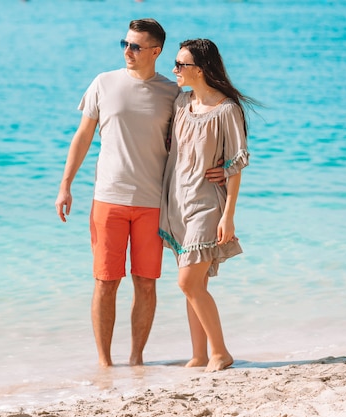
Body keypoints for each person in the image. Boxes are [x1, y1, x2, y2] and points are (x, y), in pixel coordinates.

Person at [54, 20, 224, 367]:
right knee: (105, 283)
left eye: (135, 46)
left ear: (155, 52)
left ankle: (136, 360)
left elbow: (201, 126)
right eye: (125, 44)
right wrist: (65, 185)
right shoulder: (104, 83)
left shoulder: (172, 93)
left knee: (146, 284)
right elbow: (83, 137)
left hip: (152, 204)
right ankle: (104, 363)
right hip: (107, 199)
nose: (127, 51)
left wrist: (223, 165)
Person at [159, 38, 256, 372]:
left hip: (206, 204)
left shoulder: (227, 109)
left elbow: (236, 164)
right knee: (195, 286)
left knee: (187, 282)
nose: (174, 70)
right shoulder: (181, 103)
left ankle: (221, 352)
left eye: (180, 65)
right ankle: (199, 354)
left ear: (199, 70)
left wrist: (228, 216)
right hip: (176, 201)